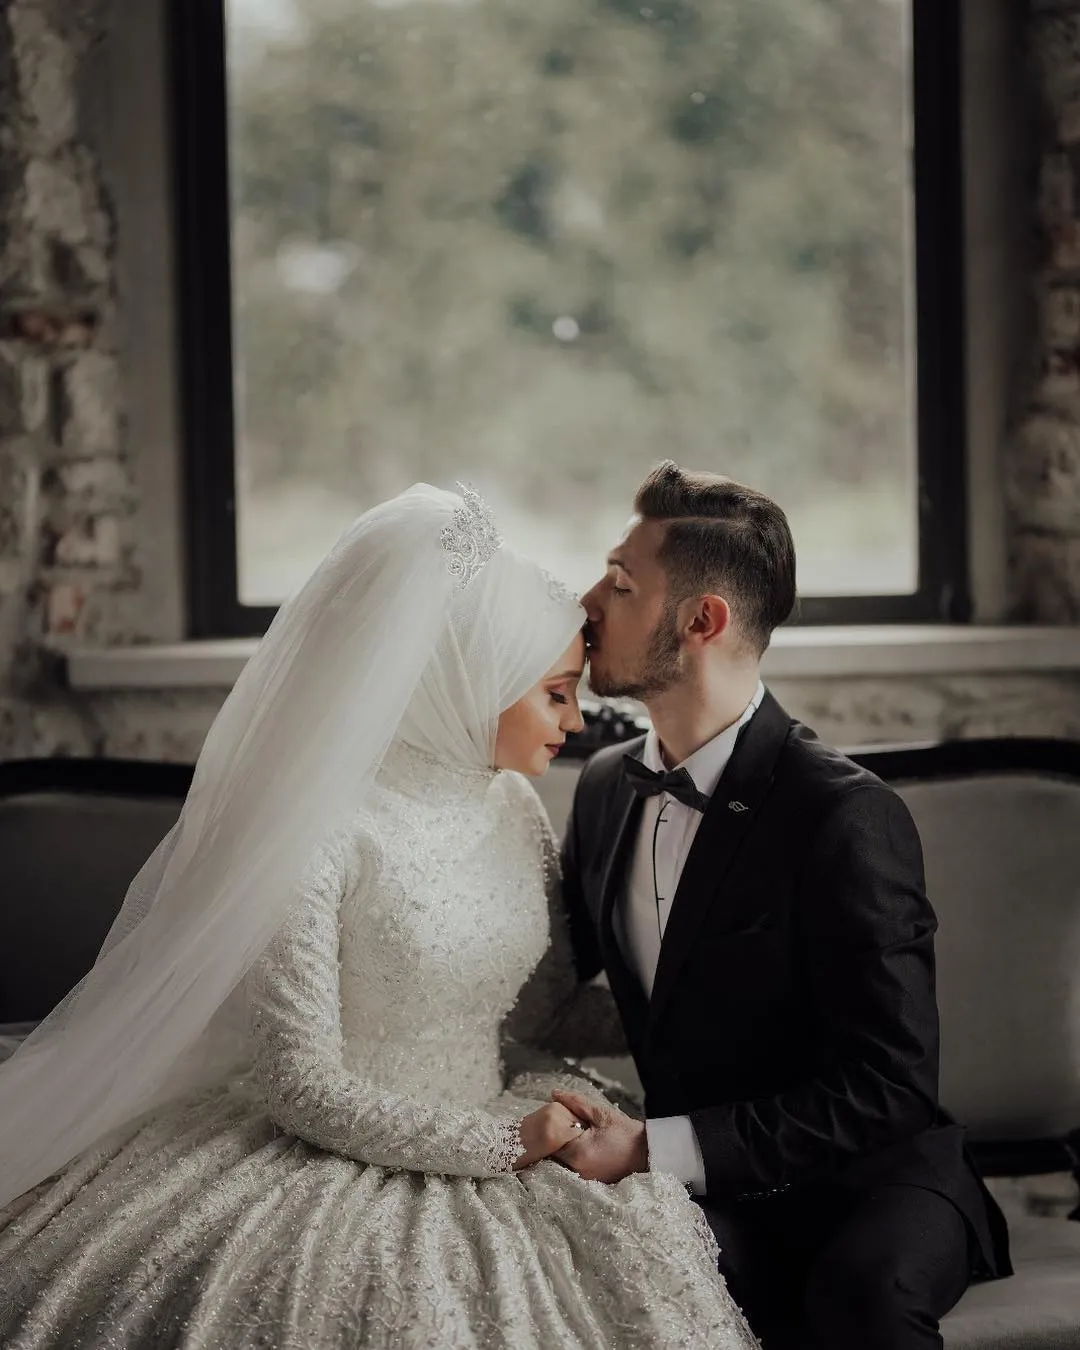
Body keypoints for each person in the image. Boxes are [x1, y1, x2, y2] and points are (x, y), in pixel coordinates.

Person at [0, 484, 757, 1350]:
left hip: (507, 1106)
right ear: (469, 685)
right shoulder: (323, 831)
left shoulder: (512, 806)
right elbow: (301, 1085)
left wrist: (695, 1008)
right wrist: (504, 1142)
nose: (576, 722)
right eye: (553, 694)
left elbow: (536, 1012)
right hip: (336, 1147)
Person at [552, 462, 1012, 1350]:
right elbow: (548, 987)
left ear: (703, 619)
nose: (586, 601)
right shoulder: (607, 788)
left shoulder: (843, 812)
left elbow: (890, 1089)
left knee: (858, 1305)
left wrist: (653, 1148)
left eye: (618, 582)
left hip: (874, 1181)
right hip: (717, 1199)